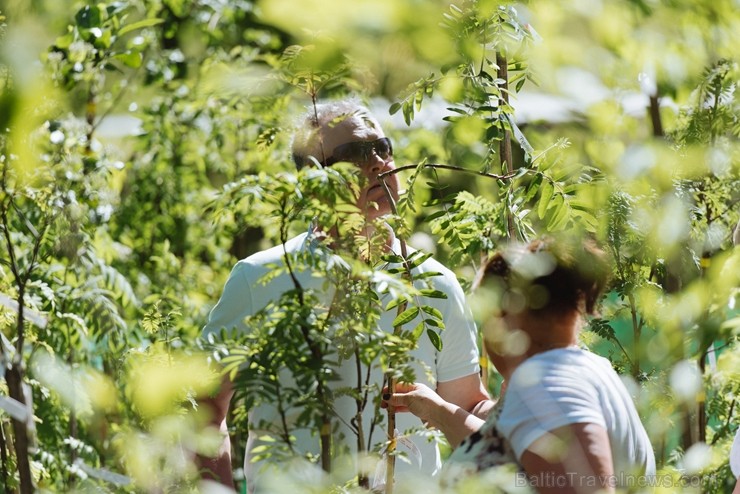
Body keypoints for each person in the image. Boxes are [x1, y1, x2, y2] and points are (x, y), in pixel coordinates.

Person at [197, 98, 492, 492]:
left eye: (382, 147)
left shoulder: (435, 284)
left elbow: (468, 407)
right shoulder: (260, 279)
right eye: (354, 154)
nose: (377, 162)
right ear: (312, 183)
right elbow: (203, 407)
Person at [384, 236, 656, 493]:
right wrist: (439, 412)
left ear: (507, 317)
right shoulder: (588, 369)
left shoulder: (548, 384)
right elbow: (517, 459)